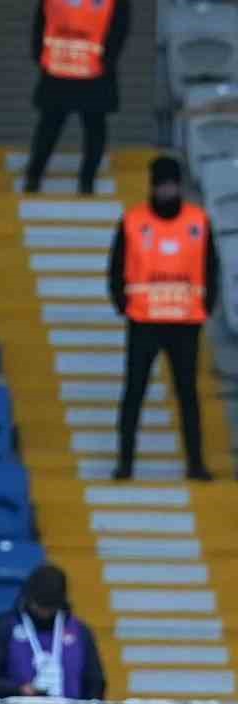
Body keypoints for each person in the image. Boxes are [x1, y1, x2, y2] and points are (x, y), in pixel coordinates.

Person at [110, 154, 221, 481]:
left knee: (188, 395)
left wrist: (206, 307)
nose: (167, 191)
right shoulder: (133, 221)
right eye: (162, 185)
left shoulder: (198, 221)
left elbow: (211, 267)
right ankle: (125, 462)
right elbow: (117, 267)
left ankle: (196, 464)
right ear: (153, 186)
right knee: (134, 393)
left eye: (172, 185)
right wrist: (123, 304)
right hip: (144, 321)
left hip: (185, 323)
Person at [23, 0, 130, 196]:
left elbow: (119, 27)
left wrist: (108, 60)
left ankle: (85, 181)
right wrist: (39, 53)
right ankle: (35, 176)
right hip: (69, 69)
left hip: (87, 70)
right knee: (52, 126)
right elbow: (41, 19)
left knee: (87, 127)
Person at [0, 563, 106, 701]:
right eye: (40, 605)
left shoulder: (80, 632)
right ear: (29, 598)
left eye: (50, 607)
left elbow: (96, 683)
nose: (44, 612)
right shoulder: (7, 628)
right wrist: (18, 690)